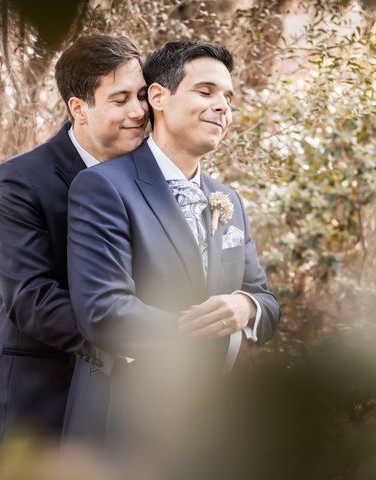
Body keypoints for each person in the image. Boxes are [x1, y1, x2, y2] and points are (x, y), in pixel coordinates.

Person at [63, 41, 281, 456]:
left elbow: (265, 300)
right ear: (158, 97)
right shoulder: (104, 187)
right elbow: (103, 311)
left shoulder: (228, 201)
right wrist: (202, 339)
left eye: (228, 98)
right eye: (206, 91)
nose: (223, 107)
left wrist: (245, 307)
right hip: (124, 419)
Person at [0, 34, 148, 468]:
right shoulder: (21, 180)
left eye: (143, 95)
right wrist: (135, 341)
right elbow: (30, 298)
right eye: (121, 98)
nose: (139, 111)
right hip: (43, 399)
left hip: (132, 410)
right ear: (79, 108)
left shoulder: (155, 175)